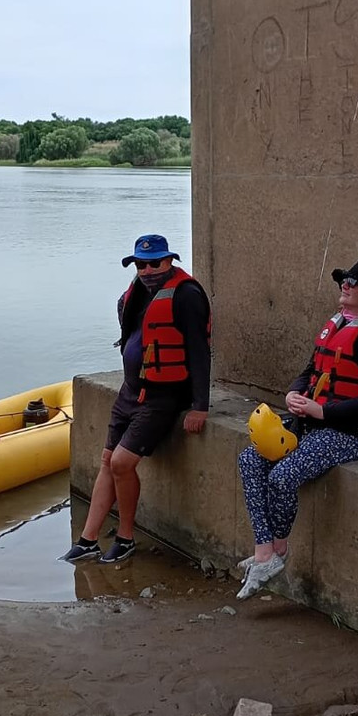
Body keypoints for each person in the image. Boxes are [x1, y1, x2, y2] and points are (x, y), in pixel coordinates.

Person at [235, 257, 358, 600]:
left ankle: (280, 552)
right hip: (313, 421)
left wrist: (323, 411)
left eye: (351, 283)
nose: (343, 286)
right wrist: (294, 392)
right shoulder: (339, 323)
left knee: (282, 476)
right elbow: (310, 370)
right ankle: (263, 553)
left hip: (354, 433)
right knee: (250, 460)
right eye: (342, 281)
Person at [61, 234, 211, 564]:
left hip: (163, 396)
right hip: (131, 391)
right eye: (140, 264)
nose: (146, 270)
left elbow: (200, 352)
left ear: (170, 260)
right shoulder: (136, 293)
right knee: (106, 461)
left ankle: (126, 537)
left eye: (154, 263)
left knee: (121, 463)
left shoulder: (186, 295)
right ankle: (88, 540)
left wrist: (200, 405)